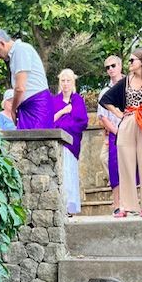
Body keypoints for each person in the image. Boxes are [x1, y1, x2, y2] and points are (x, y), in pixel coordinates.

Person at [100, 49, 142, 218]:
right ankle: (126, 206)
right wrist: (119, 114)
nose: (129, 64)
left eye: (131, 60)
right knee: (125, 164)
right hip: (128, 122)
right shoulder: (125, 82)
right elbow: (105, 100)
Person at [0, 29, 54, 129]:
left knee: (36, 142)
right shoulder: (15, 54)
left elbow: (20, 88)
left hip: (37, 106)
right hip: (29, 106)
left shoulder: (20, 50)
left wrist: (13, 109)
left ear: (2, 43)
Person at [52, 69, 88, 217]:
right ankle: (60, 204)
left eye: (68, 81)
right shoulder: (55, 100)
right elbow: (51, 120)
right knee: (60, 172)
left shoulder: (78, 100)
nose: (65, 84)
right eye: (63, 81)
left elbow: (82, 122)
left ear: (73, 82)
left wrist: (66, 127)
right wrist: (64, 111)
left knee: (70, 172)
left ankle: (70, 206)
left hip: (72, 142)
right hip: (58, 141)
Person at [97, 55, 124, 215]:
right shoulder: (105, 92)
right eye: (107, 67)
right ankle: (117, 204)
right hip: (115, 133)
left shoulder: (130, 86)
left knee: (130, 168)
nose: (111, 69)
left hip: (131, 131)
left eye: (113, 65)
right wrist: (116, 132)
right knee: (114, 168)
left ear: (120, 66)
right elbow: (103, 117)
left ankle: (131, 203)